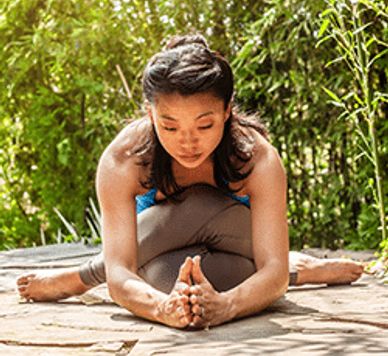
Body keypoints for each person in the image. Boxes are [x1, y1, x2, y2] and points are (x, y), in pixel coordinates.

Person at [16, 34, 364, 329]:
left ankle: (86, 274)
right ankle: (299, 270)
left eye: (204, 125)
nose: (187, 141)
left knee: (197, 203)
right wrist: (164, 308)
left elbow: (271, 270)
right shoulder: (124, 159)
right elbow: (122, 275)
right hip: (182, 259)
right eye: (169, 126)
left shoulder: (255, 157)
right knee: (162, 280)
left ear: (227, 111)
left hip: (240, 239)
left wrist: (227, 306)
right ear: (150, 113)